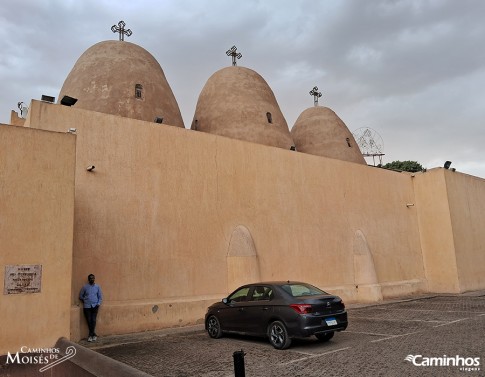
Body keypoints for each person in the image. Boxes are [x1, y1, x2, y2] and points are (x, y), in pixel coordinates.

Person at [79, 274, 103, 342]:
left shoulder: (97, 287)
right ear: (88, 279)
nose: (92, 279)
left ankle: (90, 335)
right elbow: (80, 296)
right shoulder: (85, 287)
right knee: (89, 321)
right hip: (87, 307)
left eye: (93, 278)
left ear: (94, 279)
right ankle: (93, 334)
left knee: (93, 320)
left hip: (95, 306)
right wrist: (85, 300)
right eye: (90, 278)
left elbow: (100, 297)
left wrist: (98, 304)